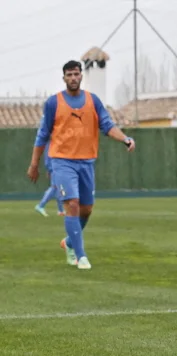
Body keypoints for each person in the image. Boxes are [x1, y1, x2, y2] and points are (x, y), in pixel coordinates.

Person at [27, 60, 135, 270]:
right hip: (61, 162)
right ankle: (80, 255)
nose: (73, 78)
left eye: (76, 74)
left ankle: (68, 242)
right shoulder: (53, 103)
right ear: (64, 78)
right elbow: (42, 135)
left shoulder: (92, 101)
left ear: (81, 76)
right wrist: (34, 164)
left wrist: (125, 139)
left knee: (86, 209)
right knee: (72, 205)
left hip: (86, 162)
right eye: (69, 75)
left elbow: (107, 125)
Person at [33, 143, 65, 217]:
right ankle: (41, 205)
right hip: (55, 166)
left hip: (55, 166)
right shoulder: (51, 143)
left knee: (58, 187)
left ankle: (61, 210)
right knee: (55, 187)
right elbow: (49, 156)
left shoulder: (51, 143)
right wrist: (50, 168)